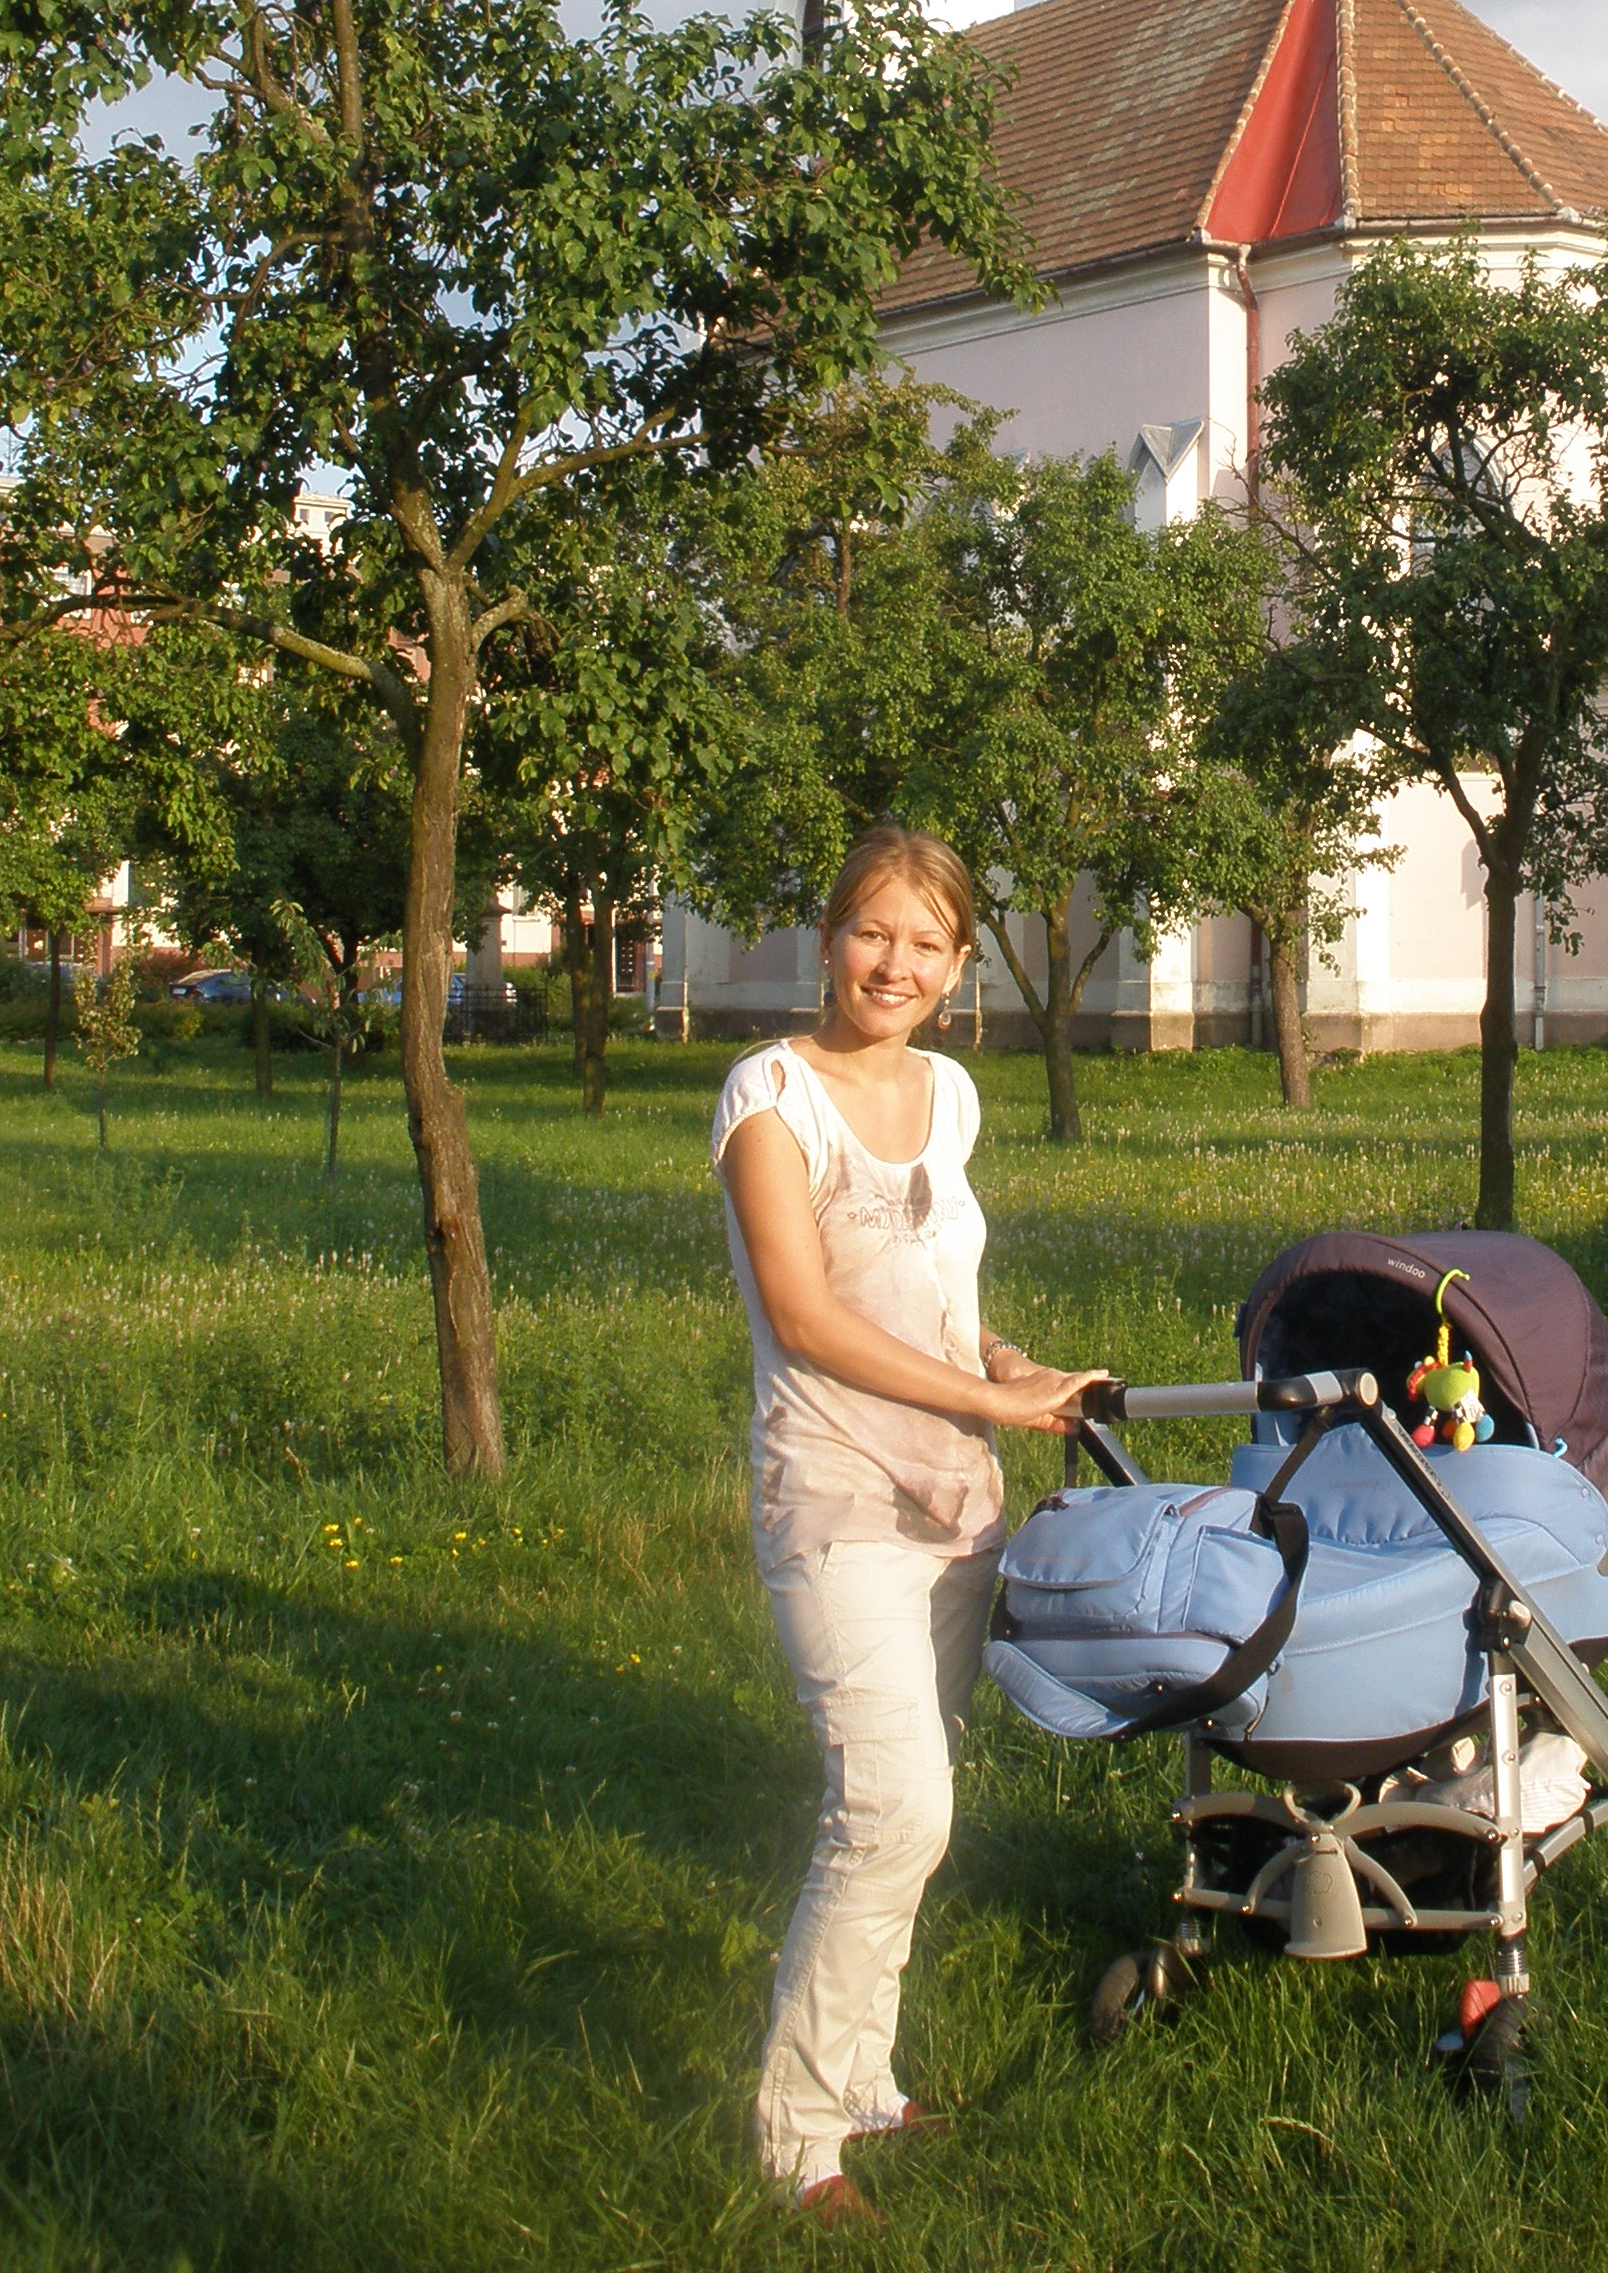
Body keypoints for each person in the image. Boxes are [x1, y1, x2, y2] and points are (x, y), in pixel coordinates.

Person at [714, 824, 1104, 2219]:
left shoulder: (949, 1097)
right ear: (830, 937)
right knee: (893, 1810)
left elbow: (930, 1287)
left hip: (956, 1508)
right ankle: (794, 2136)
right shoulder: (768, 1097)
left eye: (926, 945)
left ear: (954, 970)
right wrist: (987, 1404)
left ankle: (863, 2086)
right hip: (835, 1501)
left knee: (901, 1815)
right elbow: (809, 1317)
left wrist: (1006, 1369)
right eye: (874, 932)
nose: (897, 963)